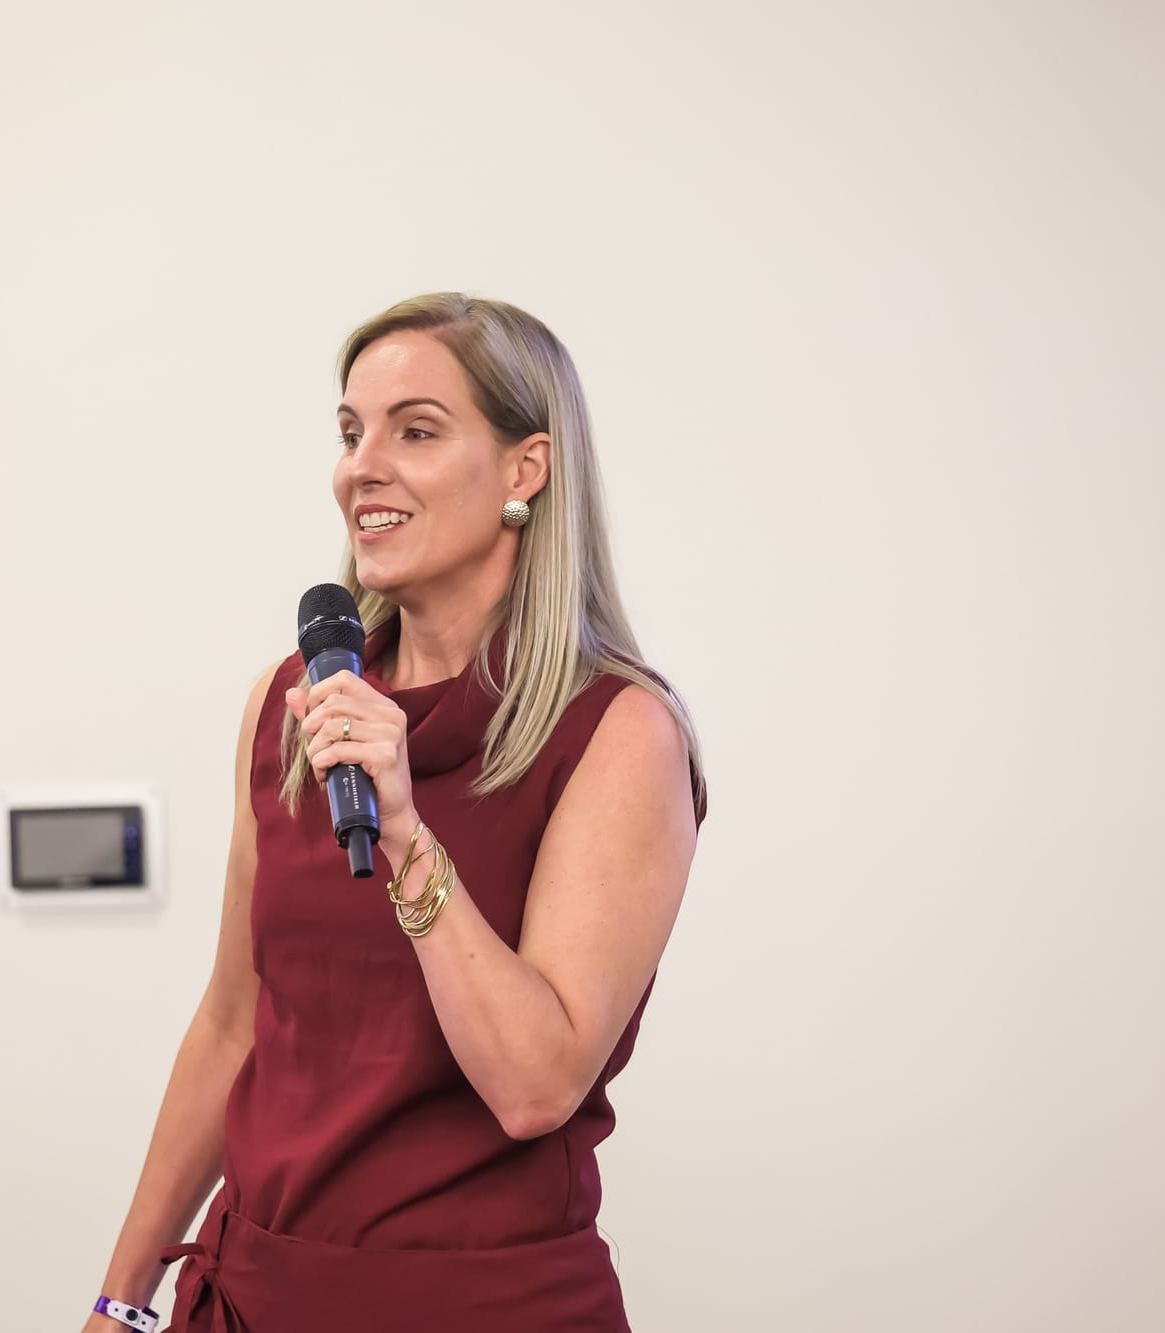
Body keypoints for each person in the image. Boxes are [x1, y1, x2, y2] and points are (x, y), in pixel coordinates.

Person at [80, 293, 706, 1333]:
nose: (360, 466)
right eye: (349, 431)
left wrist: (410, 836)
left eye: (414, 430)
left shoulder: (618, 733)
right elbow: (233, 1023)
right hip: (255, 1298)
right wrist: (118, 1297)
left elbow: (532, 1085)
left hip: (477, 1309)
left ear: (524, 470)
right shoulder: (293, 704)